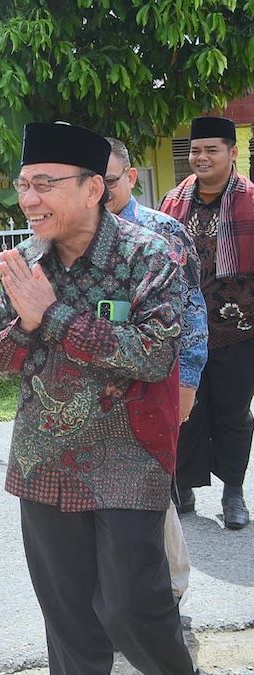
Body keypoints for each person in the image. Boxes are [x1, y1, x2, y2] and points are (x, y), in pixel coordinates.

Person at [0, 122, 193, 674]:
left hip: (128, 458)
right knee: (69, 624)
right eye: (24, 184)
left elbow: (154, 354)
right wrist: (27, 322)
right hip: (42, 460)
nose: (29, 199)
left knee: (130, 609)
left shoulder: (148, 255)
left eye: (45, 184)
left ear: (93, 187)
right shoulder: (24, 264)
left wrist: (52, 317)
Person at [106, 136, 209, 603]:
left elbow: (193, 310)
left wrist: (187, 381)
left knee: (151, 486)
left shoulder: (163, 231)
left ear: (130, 177)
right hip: (96, 390)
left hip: (156, 384)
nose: (100, 193)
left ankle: (170, 591)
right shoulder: (72, 236)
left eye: (108, 182)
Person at [160, 116, 254, 530]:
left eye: (211, 150)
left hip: (240, 329)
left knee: (234, 413)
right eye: (195, 150)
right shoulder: (172, 202)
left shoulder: (251, 200)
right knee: (186, 411)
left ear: (232, 153)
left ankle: (233, 490)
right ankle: (185, 485)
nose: (201, 157)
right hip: (184, 332)